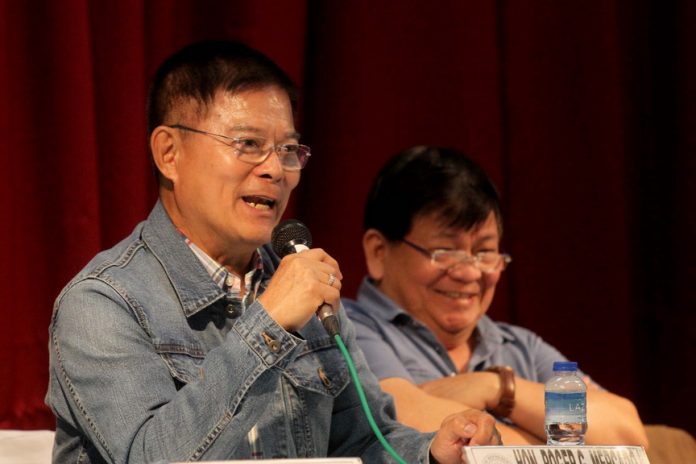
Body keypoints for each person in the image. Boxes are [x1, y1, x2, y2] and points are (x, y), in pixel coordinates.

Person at [45, 42, 501, 463]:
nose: (274, 170)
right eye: (247, 145)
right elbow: (148, 456)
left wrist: (434, 452)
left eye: (287, 150)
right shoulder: (103, 303)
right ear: (169, 153)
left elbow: (365, 443)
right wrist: (266, 324)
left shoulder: (305, 289)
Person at [343, 145, 649, 446]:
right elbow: (402, 423)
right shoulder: (342, 331)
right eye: (445, 251)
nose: (471, 273)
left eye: (485, 251)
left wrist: (498, 387)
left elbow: (626, 433)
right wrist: (552, 443)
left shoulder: (521, 348)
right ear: (378, 252)